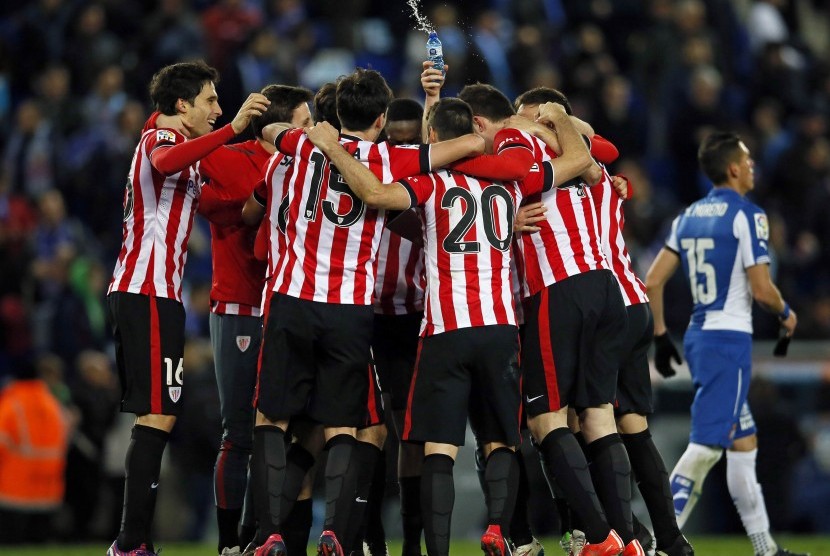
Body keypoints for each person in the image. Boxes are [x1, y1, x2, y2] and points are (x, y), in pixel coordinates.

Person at [248, 68, 483, 556]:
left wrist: (312, 135)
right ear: (380, 119)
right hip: (351, 311)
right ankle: (334, 529)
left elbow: (269, 130)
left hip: (292, 299)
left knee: (272, 420)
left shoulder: (303, 146)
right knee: (344, 425)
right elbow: (463, 148)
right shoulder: (390, 158)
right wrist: (438, 106)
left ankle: (268, 531)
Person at [451, 83, 637, 556]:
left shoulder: (518, 138)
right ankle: (627, 539)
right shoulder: (578, 144)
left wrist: (453, 158)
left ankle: (599, 538)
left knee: (544, 419)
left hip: (557, 286)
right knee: (597, 420)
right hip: (604, 285)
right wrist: (560, 123)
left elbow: (519, 171)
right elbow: (603, 155)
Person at [514, 87, 693, 556]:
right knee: (617, 425)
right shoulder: (598, 170)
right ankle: (657, 539)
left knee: (558, 420)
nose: (520, 123)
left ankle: (601, 532)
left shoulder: (541, 159)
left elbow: (520, 138)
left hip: (572, 290)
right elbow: (601, 149)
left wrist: (535, 122)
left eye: (526, 114)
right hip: (624, 297)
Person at [106, 60, 268, 556]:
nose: (219, 110)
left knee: (158, 416)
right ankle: (131, 543)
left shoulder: (189, 156)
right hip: (145, 290)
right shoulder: (160, 140)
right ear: (182, 106)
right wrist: (237, 130)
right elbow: (163, 165)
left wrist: (263, 193)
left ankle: (132, 541)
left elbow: (218, 208)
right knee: (157, 416)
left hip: (159, 294)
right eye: (210, 101)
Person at [157, 83, 314, 556]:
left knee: (291, 431)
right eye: (304, 124)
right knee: (241, 432)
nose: (311, 133)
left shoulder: (306, 163)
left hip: (290, 305)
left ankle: (261, 538)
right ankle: (230, 544)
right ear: (278, 128)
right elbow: (232, 208)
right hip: (241, 306)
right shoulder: (227, 157)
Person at [645, 131, 805, 556]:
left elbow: (653, 280)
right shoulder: (748, 216)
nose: (752, 165)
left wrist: (661, 335)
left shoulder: (688, 216)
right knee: (706, 446)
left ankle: (764, 547)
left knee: (743, 441)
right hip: (727, 340)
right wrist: (787, 313)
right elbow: (762, 288)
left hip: (700, 337)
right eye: (748, 160)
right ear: (733, 168)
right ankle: (662, 542)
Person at [0, 355, 70, 544]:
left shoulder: (11, 404)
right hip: (47, 485)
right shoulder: (52, 404)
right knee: (38, 542)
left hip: (14, 486)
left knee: (12, 544)